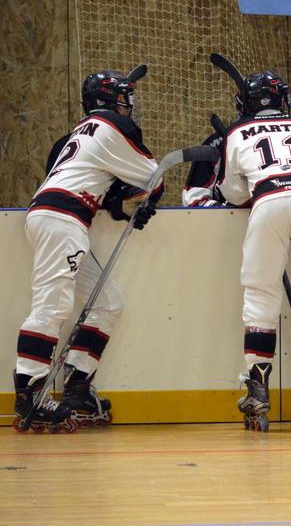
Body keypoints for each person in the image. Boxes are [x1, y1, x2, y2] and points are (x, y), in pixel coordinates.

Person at [13, 68, 162, 432]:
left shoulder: (85, 129)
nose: (129, 107)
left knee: (108, 302)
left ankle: (77, 386)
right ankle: (30, 394)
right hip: (62, 219)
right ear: (110, 102)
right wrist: (142, 197)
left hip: (59, 217)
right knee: (52, 306)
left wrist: (118, 196)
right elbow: (151, 176)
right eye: (124, 99)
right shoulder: (111, 125)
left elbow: (108, 177)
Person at [217, 70, 291, 432]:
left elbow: (232, 191)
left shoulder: (236, 133)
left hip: (267, 203)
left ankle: (257, 391)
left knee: (260, 295)